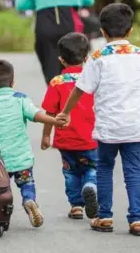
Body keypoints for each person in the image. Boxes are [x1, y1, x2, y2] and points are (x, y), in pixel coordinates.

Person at [56, 3, 140, 236]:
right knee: (133, 171)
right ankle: (137, 220)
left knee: (104, 169)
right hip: (134, 126)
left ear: (102, 32)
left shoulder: (98, 57)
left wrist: (66, 112)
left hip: (108, 128)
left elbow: (80, 89)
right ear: (130, 31)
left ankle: (105, 217)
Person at [0, 59, 66, 228]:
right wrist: (55, 121)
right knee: (27, 183)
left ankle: (0, 214)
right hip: (21, 159)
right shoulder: (20, 99)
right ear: (13, 82)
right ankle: (29, 200)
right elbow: (37, 115)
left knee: (0, 190)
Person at [41, 32, 98, 220]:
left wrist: (46, 135)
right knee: (92, 167)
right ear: (86, 58)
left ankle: (76, 206)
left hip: (65, 139)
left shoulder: (57, 82)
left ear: (61, 60)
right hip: (92, 138)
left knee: (70, 172)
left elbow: (50, 112)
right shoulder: (93, 80)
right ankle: (90, 185)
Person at [15, 0, 95, 85]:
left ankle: (55, 99)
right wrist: (74, 0)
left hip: (44, 21)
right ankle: (72, 100)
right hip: (69, 20)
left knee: (50, 69)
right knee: (73, 66)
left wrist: (40, 1)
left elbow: (20, 3)